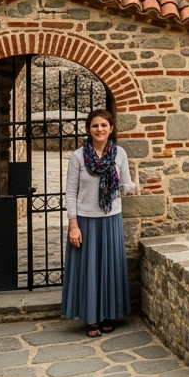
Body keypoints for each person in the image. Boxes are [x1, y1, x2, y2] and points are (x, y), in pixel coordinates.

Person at [62, 108, 136, 337]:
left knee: (109, 270)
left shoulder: (120, 154)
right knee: (89, 271)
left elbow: (126, 184)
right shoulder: (77, 157)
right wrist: (73, 225)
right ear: (88, 129)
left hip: (110, 218)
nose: (99, 129)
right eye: (95, 126)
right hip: (85, 221)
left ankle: (108, 315)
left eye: (104, 125)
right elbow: (70, 193)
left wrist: (131, 186)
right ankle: (91, 318)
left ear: (111, 128)